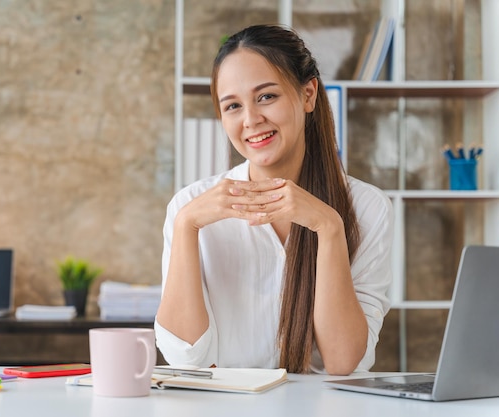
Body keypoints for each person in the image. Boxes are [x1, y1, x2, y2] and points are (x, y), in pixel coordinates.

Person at [155, 24, 393, 375]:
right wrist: (186, 226)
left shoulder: (367, 207)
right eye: (233, 106)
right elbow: (185, 358)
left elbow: (345, 363)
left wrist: (328, 228)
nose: (251, 120)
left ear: (308, 94)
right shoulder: (189, 207)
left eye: (267, 96)